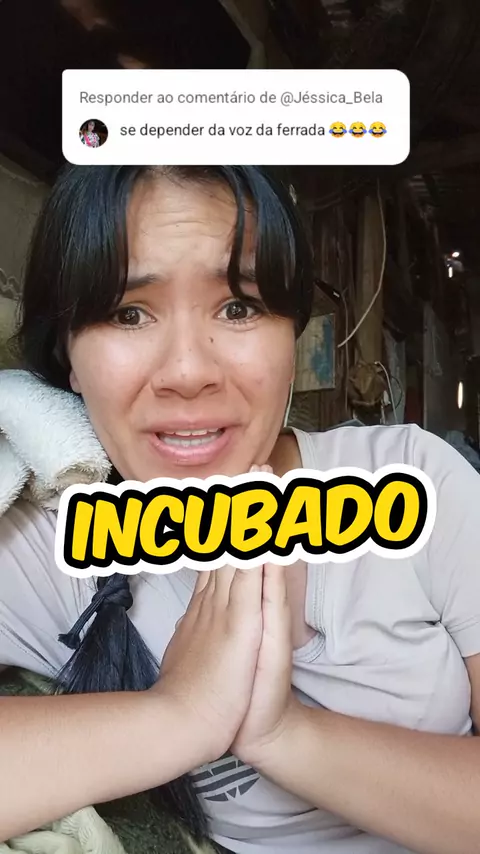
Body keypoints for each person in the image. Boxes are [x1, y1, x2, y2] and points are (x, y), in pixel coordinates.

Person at [0, 164, 479, 854]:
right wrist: (178, 715)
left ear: (293, 334)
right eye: (129, 313)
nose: (189, 372)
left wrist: (286, 734)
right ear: (69, 355)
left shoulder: (414, 480)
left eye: (239, 308)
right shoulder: (49, 545)